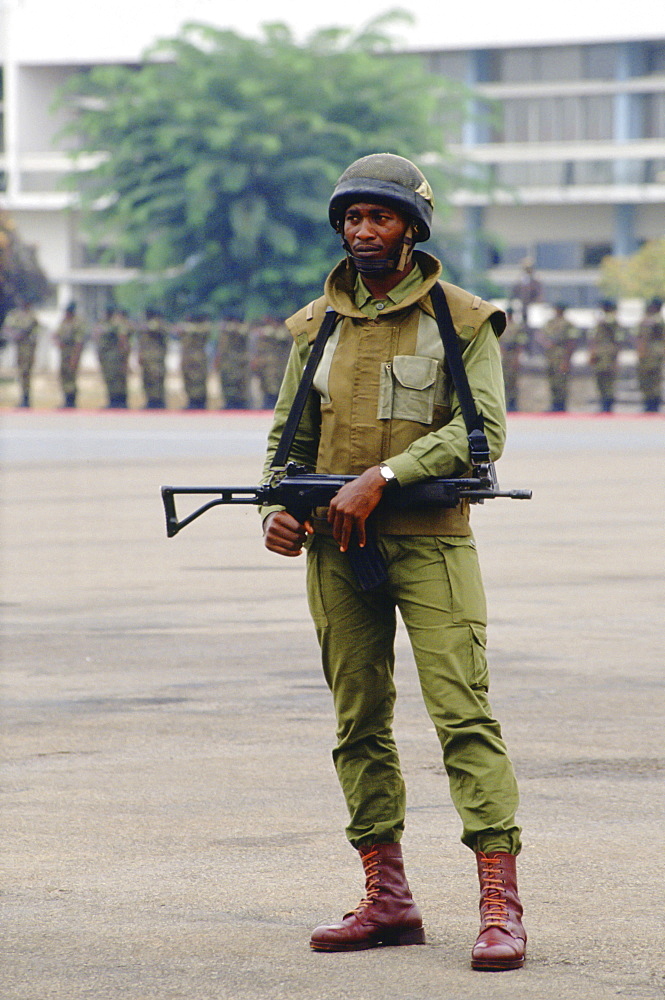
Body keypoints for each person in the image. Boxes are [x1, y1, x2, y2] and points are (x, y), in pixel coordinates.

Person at [260, 153, 526, 971]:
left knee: (462, 715)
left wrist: (383, 476)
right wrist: (277, 505)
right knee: (358, 722)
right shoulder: (315, 326)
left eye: (378, 217)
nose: (362, 231)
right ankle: (387, 900)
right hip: (337, 548)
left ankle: (499, 905)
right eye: (350, 218)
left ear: (411, 226)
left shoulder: (462, 319)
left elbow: (479, 435)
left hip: (431, 540)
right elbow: (287, 438)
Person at [588, 300, 627, 413]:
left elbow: (618, 339)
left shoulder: (612, 320)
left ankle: (608, 405)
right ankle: (603, 402)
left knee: (608, 380)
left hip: (609, 354)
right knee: (600, 379)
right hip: (599, 353)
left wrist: (616, 358)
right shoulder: (602, 321)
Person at [538, 303, 578, 412]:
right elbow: (541, 335)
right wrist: (545, 343)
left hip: (561, 356)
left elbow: (571, 342)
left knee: (561, 382)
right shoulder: (550, 323)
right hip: (551, 356)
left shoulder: (569, 324)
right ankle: (554, 404)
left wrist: (567, 360)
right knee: (552, 381)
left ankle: (561, 406)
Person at [2, 298, 40, 407]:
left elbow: (34, 332)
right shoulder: (14, 315)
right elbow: (7, 328)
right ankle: (24, 397)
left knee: (26, 371)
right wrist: (14, 335)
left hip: (28, 348)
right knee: (21, 372)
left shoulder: (33, 317)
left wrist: (22, 334)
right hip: (18, 347)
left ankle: (26, 398)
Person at [95, 305, 130, 408]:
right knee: (109, 378)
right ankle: (112, 400)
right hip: (106, 357)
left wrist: (123, 355)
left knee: (117, 379)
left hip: (115, 356)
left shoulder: (117, 324)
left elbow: (123, 339)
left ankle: (119, 401)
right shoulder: (103, 324)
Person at [54, 301, 87, 408]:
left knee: (71, 376)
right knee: (63, 375)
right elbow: (56, 334)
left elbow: (79, 342)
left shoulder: (77, 323)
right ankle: (66, 399)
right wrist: (57, 341)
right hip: (64, 352)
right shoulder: (64, 322)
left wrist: (75, 357)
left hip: (73, 353)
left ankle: (71, 401)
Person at [635, 297, 664, 413]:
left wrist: (641, 350)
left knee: (651, 378)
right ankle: (650, 402)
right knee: (649, 378)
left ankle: (652, 404)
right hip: (652, 353)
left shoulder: (655, 319)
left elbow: (644, 337)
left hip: (651, 353)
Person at [178, 313, 211, 409]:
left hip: (198, 358)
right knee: (189, 380)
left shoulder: (201, 328)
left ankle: (199, 402)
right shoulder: (188, 330)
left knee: (199, 380)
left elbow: (200, 330)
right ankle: (192, 401)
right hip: (188, 358)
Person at [137, 308, 169, 409]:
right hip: (147, 358)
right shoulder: (146, 325)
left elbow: (155, 328)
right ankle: (151, 400)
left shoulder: (158, 324)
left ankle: (157, 401)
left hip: (156, 358)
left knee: (156, 379)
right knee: (147, 379)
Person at [216, 319, 250, 409]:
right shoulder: (225, 334)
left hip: (239, 363)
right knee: (227, 383)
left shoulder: (241, 329)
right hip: (227, 363)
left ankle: (240, 404)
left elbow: (242, 331)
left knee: (240, 384)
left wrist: (228, 326)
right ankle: (229, 403)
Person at [501, 306, 529, 411]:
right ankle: (506, 403)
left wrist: (517, 357)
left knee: (512, 380)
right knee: (504, 380)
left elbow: (520, 343)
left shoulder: (517, 327)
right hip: (504, 355)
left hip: (513, 354)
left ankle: (513, 404)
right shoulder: (503, 326)